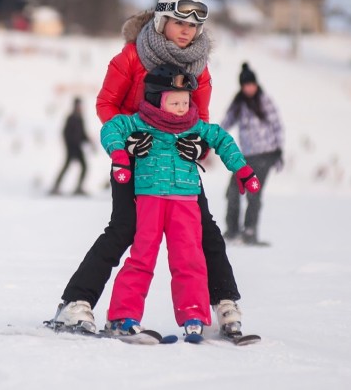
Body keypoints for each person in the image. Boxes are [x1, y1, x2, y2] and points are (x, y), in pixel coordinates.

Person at [52, 0, 247, 338]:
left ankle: (225, 302)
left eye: (194, 25)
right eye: (178, 22)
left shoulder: (199, 69)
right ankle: (75, 303)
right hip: (135, 157)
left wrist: (197, 148)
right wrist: (126, 144)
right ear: (161, 20)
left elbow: (200, 119)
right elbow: (106, 105)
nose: (187, 31)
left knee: (205, 231)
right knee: (124, 228)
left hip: (178, 164)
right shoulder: (131, 57)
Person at [101, 65, 261, 337]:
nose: (180, 108)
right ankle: (123, 315)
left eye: (185, 102)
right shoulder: (139, 122)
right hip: (150, 199)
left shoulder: (194, 126)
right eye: (174, 102)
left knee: (189, 258)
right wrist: (120, 155)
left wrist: (242, 170)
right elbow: (111, 128)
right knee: (142, 257)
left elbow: (223, 140)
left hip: (185, 202)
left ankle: (194, 316)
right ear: (155, 100)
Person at [220, 63, 284, 245]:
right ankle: (232, 230)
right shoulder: (238, 103)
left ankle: (250, 231)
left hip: (266, 154)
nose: (249, 88)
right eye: (246, 85)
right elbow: (226, 121)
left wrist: (279, 152)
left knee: (253, 192)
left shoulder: (264, 101)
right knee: (233, 190)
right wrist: (213, 137)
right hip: (246, 157)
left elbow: (277, 126)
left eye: (252, 84)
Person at [49, 97, 91, 196]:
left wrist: (89, 141)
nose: (80, 107)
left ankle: (78, 187)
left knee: (84, 167)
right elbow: (65, 133)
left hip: (78, 148)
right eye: (78, 105)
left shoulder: (80, 118)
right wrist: (69, 146)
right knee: (66, 166)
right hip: (71, 148)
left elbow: (83, 133)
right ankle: (56, 187)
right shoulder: (71, 118)